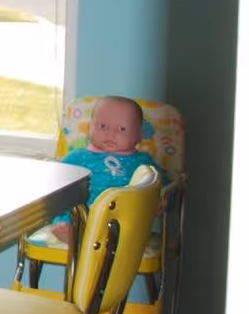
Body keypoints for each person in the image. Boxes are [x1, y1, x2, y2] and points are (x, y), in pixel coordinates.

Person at [48, 95, 167, 243]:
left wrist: (159, 199)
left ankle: (109, 234)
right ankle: (71, 230)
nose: (111, 133)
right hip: (84, 212)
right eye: (103, 126)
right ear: (89, 127)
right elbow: (55, 178)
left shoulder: (143, 161)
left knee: (141, 205)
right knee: (64, 202)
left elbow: (162, 183)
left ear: (139, 134)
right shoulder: (78, 157)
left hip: (125, 216)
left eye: (122, 129)